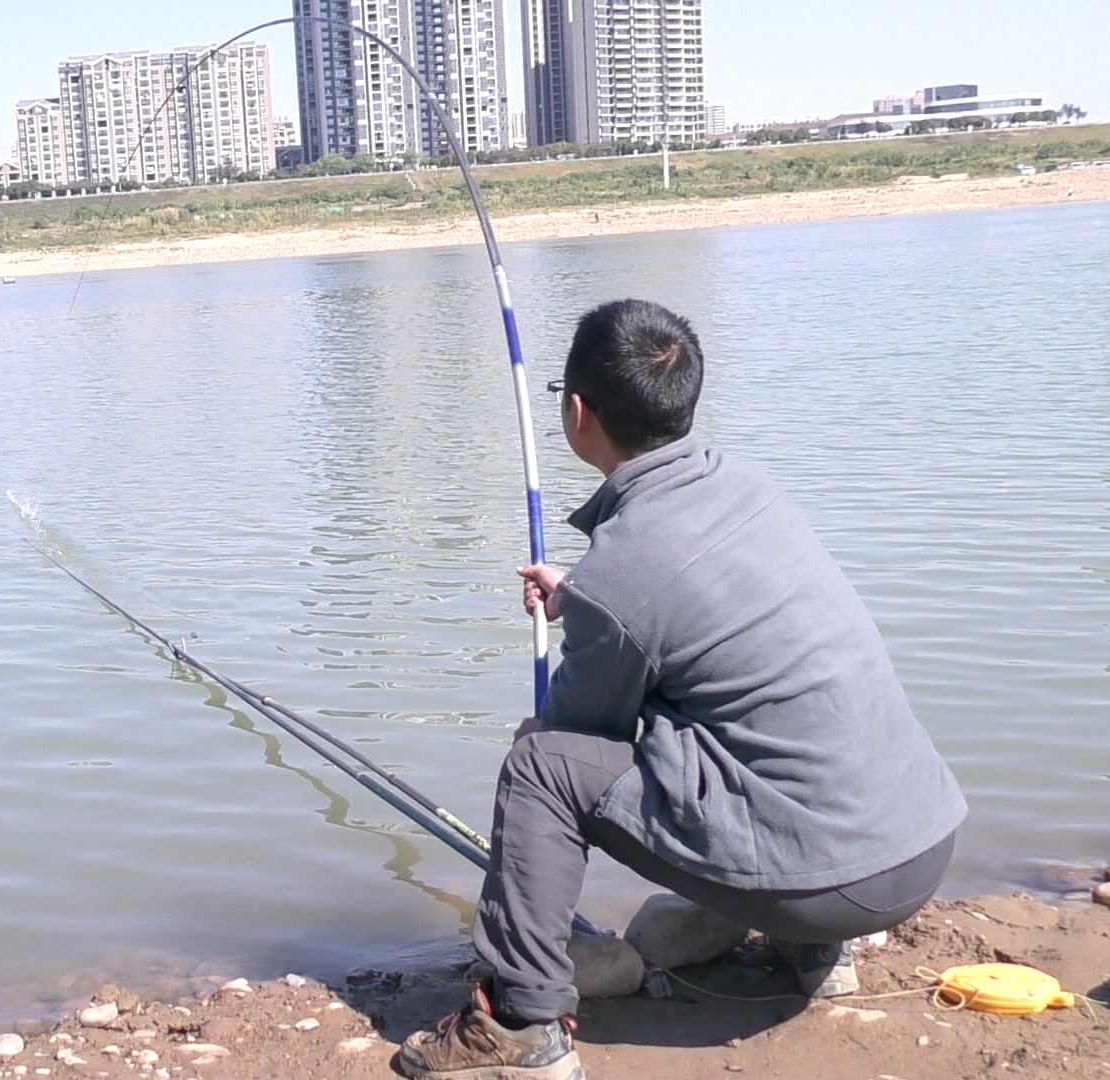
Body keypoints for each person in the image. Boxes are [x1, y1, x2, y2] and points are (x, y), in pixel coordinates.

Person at [398, 300, 967, 1080]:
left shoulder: (621, 580)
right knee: (764, 727)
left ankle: (522, 1024)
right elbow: (690, 614)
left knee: (539, 765)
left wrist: (594, 606)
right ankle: (812, 952)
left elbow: (577, 734)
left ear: (576, 413)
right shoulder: (748, 488)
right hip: (920, 846)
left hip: (833, 879)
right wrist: (586, 596)